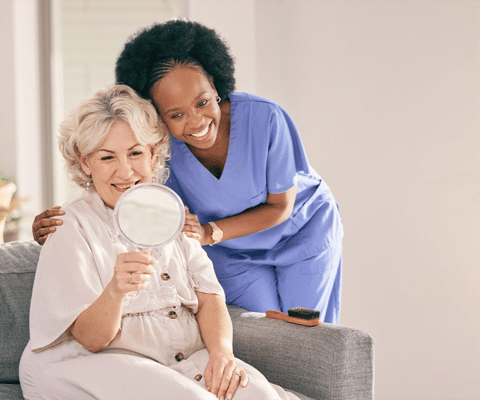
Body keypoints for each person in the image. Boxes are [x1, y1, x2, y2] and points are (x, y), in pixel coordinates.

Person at [33, 18, 344, 323]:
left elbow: (280, 207)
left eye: (202, 102)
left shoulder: (265, 118)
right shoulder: (160, 148)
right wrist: (64, 224)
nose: (196, 122)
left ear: (216, 86)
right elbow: (123, 191)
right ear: (157, 116)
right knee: (263, 333)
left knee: (304, 332)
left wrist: (210, 232)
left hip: (301, 232)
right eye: (176, 114)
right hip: (228, 253)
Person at [19, 85, 294, 400]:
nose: (125, 171)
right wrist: (116, 290)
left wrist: (221, 353)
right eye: (107, 157)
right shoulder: (68, 225)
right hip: (92, 360)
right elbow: (92, 340)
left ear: (153, 153)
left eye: (136, 153)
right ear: (85, 163)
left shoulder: (171, 213)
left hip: (178, 359)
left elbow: (209, 297)